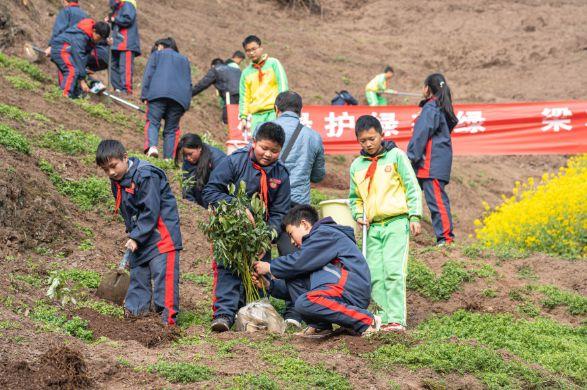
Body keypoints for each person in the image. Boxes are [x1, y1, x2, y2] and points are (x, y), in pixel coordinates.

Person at [202, 122, 291, 332]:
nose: (268, 154)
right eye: (264, 148)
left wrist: (266, 238)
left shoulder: (282, 174)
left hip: (261, 235)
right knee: (228, 270)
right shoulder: (234, 162)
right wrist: (236, 207)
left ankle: (254, 315)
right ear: (254, 142)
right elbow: (211, 192)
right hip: (232, 232)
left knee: (258, 273)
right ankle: (224, 314)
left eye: (274, 151)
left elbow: (280, 213)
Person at [253, 205, 381, 338]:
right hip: (339, 286)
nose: (291, 241)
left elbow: (299, 262)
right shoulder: (316, 245)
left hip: (352, 289)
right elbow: (299, 282)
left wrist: (270, 267)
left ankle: (366, 321)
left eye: (291, 234)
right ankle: (320, 326)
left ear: (304, 224)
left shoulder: (325, 233)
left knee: (305, 301)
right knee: (294, 277)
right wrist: (269, 286)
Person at [95, 140, 182, 325]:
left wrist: (136, 236)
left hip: (161, 235)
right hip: (141, 234)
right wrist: (134, 234)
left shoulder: (146, 175)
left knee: (162, 277)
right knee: (138, 275)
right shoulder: (116, 181)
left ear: (125, 158)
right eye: (105, 170)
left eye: (113, 166)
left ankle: (165, 323)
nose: (110, 172)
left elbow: (151, 210)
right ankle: (135, 317)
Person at [349, 115, 422, 332]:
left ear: (382, 135)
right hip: (372, 228)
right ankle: (381, 318)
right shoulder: (356, 166)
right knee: (375, 273)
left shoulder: (396, 156)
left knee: (393, 270)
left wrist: (414, 216)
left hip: (396, 222)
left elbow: (411, 186)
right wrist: (358, 214)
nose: (368, 144)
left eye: (372, 138)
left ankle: (396, 319)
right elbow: (355, 197)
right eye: (363, 141)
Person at [407, 73, 458, 246]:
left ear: (427, 88)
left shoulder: (431, 107)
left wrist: (411, 157)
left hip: (430, 164)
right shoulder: (442, 107)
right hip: (436, 162)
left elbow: (421, 134)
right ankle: (444, 238)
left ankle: (446, 239)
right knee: (433, 199)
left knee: (436, 201)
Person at [141, 37, 192, 159]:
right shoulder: (185, 60)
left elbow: (148, 74)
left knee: (153, 122)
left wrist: (144, 95)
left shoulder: (157, 55)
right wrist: (186, 104)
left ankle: (152, 147)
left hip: (158, 93)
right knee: (171, 129)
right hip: (179, 99)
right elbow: (189, 83)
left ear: (162, 46)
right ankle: (168, 158)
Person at [239, 35, 288, 134]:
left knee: (276, 143)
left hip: (274, 112)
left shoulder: (273, 63)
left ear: (261, 48)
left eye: (254, 49)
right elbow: (244, 97)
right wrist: (243, 117)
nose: (251, 53)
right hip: (256, 116)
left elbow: (282, 85)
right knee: (258, 145)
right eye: (248, 50)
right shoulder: (246, 73)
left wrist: (282, 108)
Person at [50, 19, 110, 98]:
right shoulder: (81, 37)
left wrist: (106, 42)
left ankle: (74, 95)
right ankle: (64, 96)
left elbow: (83, 56)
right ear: (94, 30)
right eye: (98, 38)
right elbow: (79, 57)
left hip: (69, 50)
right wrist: (82, 80)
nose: (98, 41)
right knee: (72, 71)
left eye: (101, 39)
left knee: (76, 71)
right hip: (61, 48)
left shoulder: (91, 36)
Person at [174, 133, 226, 208]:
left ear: (199, 148)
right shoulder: (188, 161)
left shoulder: (217, 158)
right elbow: (188, 188)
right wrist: (193, 207)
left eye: (190, 154)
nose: (188, 158)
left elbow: (223, 184)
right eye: (185, 155)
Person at [192, 58, 241, 124]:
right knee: (240, 120)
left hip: (230, 95)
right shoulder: (237, 70)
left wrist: (190, 93)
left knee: (228, 119)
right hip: (244, 96)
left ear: (213, 65)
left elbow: (203, 84)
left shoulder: (215, 69)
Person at [107, 0, 141, 94]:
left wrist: (114, 19)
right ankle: (117, 89)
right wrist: (110, 19)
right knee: (112, 65)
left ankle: (126, 90)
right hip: (116, 42)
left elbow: (128, 19)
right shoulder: (116, 8)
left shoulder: (128, 4)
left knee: (125, 67)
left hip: (127, 42)